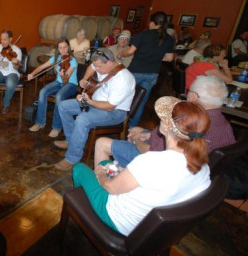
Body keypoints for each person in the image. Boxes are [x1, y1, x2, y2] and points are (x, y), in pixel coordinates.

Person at [72, 97, 211, 236]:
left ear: (167, 127)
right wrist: (122, 172)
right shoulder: (203, 167)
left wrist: (100, 175)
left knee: (80, 169)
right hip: (154, 229)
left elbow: (110, 187)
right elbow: (157, 183)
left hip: (121, 220)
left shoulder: (150, 161)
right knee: (108, 167)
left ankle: (82, 212)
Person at [94, 75, 235, 168]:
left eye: (189, 91)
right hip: (185, 164)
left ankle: (115, 181)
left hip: (156, 162)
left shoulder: (189, 120)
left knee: (102, 143)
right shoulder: (225, 126)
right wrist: (149, 135)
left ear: (193, 96)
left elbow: (153, 152)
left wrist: (138, 141)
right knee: (136, 130)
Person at [53, 48, 135, 171]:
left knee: (82, 120)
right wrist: (85, 78)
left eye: (99, 67)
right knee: (63, 106)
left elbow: (110, 106)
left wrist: (89, 101)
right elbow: (92, 66)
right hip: (94, 102)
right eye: (96, 66)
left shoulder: (123, 78)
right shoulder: (101, 64)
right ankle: (71, 141)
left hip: (114, 112)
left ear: (109, 62)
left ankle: (72, 158)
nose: (96, 69)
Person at [117, 11, 175, 127]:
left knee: (123, 96)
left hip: (135, 71)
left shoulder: (144, 34)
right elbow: (169, 58)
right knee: (141, 102)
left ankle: (118, 123)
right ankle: (131, 128)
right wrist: (155, 56)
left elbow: (130, 51)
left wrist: (120, 54)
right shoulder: (168, 38)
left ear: (153, 22)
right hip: (152, 74)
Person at [27, 38, 78, 137]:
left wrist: (63, 75)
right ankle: (40, 123)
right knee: (43, 91)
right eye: (60, 48)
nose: (63, 50)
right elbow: (42, 67)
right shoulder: (57, 58)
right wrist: (32, 73)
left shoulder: (72, 60)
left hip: (70, 84)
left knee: (59, 96)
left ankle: (56, 127)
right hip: (58, 83)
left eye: (65, 47)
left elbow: (66, 79)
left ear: (69, 47)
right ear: (57, 49)